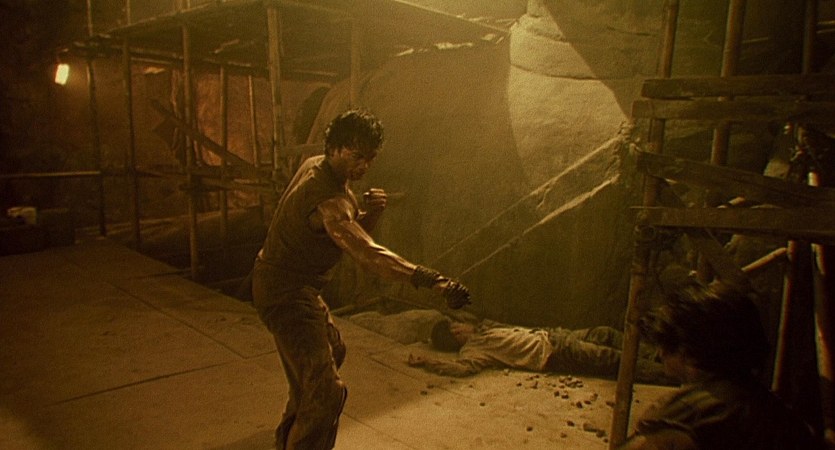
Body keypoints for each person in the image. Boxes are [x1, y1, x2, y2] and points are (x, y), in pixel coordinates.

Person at [251, 109, 470, 450]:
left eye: (370, 158)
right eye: (357, 156)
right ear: (336, 148)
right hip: (286, 293)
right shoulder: (330, 201)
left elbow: (343, 236)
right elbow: (366, 253)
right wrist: (431, 279)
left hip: (289, 285)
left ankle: (288, 440)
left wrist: (372, 214)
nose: (364, 166)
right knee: (326, 392)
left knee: (331, 353)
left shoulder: (315, 164)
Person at [619, 284, 822, 450]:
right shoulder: (782, 418)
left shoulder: (686, 414)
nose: (660, 354)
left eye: (665, 345)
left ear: (688, 351)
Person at [407, 315, 675, 385]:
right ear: (456, 333)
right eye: (457, 324)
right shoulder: (473, 350)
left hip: (555, 335)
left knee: (604, 333)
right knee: (611, 359)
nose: (462, 323)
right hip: (555, 353)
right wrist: (427, 361)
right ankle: (671, 373)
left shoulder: (483, 330)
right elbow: (461, 369)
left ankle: (658, 355)